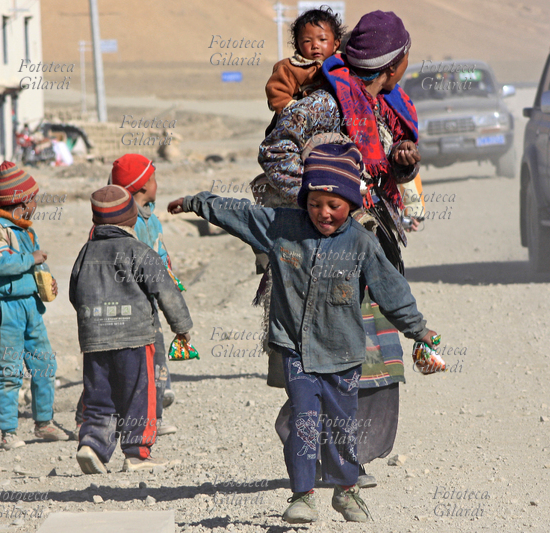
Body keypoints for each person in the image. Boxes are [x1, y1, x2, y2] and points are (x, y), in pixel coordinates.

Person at [168, 143, 437, 524]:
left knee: (342, 428)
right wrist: (196, 203)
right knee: (305, 422)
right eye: (314, 204)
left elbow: (392, 291)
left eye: (333, 205)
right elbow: (239, 214)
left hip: (343, 355)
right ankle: (303, 495)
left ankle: (346, 489)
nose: (323, 213)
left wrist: (419, 331)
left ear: (350, 204)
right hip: (296, 350)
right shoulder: (282, 227)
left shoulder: (361, 243)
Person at [259, 10, 423, 488]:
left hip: (365, 250)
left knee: (371, 360)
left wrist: (403, 166)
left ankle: (345, 462)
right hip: (323, 256)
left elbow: (378, 171)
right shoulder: (328, 101)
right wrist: (322, 206)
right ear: (395, 63)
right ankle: (318, 457)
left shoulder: (380, 106)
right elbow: (275, 151)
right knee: (332, 355)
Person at [70, 185, 192, 474]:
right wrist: (182, 327)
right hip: (134, 339)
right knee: (139, 394)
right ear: (131, 218)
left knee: (99, 394)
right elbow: (166, 290)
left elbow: (75, 293)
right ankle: (137, 453)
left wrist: (93, 320)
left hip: (95, 339)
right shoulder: (138, 250)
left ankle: (92, 445)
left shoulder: (86, 252)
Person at [74, 154, 180, 437]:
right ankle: (87, 416)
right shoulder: (117, 223)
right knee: (106, 368)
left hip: (147, 304)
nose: (157, 184)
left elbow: (159, 252)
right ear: (142, 186)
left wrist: (169, 276)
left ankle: (153, 417)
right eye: (153, 179)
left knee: (155, 359)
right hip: (125, 306)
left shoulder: (151, 218)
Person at [0, 161, 68, 451]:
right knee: (10, 369)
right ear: (22, 202)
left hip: (31, 306)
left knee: (44, 362)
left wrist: (47, 283)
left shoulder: (26, 231)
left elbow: (37, 265)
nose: (36, 205)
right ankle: (8, 432)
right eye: (33, 199)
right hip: (7, 310)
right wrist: (31, 260)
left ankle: (44, 423)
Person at [265, 7, 344, 115]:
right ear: (297, 46)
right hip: (300, 119)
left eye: (322, 39)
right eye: (307, 41)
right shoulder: (290, 68)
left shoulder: (343, 64)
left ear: (336, 44)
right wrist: (295, 111)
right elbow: (276, 91)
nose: (315, 45)